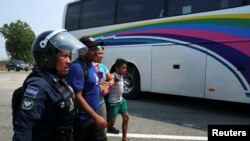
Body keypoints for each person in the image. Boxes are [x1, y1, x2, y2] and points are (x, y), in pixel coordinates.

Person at [12, 29, 87, 141]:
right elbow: (24, 126)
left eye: (69, 56)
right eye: (64, 56)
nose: (69, 61)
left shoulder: (58, 78)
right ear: (47, 57)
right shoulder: (39, 85)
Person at [67, 36, 108, 141]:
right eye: (93, 49)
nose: (96, 52)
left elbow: (90, 85)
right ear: (82, 50)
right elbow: (77, 97)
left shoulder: (90, 65)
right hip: (83, 121)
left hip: (93, 118)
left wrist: (101, 86)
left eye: (96, 49)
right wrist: (96, 117)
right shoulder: (77, 67)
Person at [92, 46, 118, 133]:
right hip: (90, 103)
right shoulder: (88, 66)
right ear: (93, 53)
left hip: (101, 102)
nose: (102, 56)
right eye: (100, 53)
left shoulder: (103, 66)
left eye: (102, 53)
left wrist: (106, 85)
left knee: (102, 130)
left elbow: (112, 79)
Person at [108, 58, 130, 141]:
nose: (125, 70)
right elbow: (109, 83)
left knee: (126, 118)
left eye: (125, 68)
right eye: (123, 68)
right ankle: (102, 130)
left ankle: (124, 138)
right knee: (111, 122)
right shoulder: (113, 75)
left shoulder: (121, 76)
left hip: (121, 100)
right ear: (117, 68)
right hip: (113, 102)